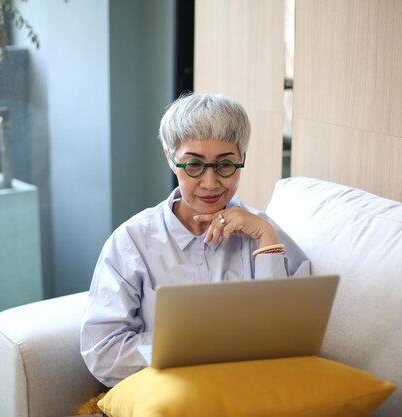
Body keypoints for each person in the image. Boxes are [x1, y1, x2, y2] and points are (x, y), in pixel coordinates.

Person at [80, 93, 311, 387]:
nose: (211, 183)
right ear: (170, 158)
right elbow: (102, 353)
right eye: (194, 165)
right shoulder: (131, 242)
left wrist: (265, 237)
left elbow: (289, 341)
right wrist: (200, 347)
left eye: (226, 165)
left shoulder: (265, 234)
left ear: (242, 158)